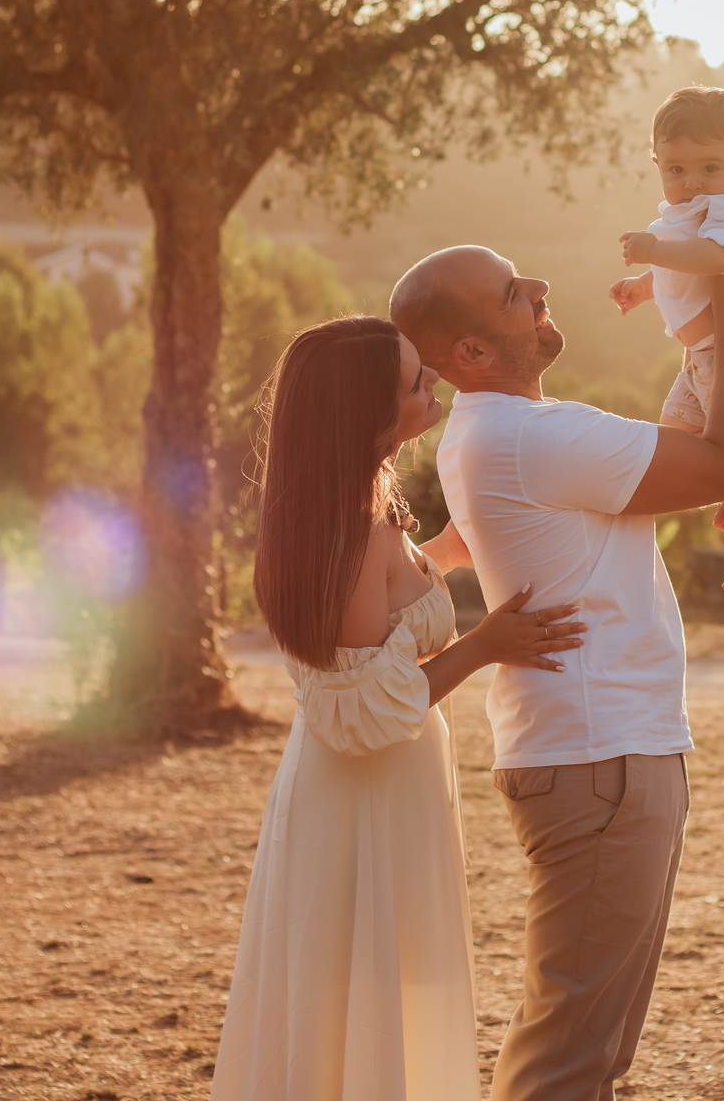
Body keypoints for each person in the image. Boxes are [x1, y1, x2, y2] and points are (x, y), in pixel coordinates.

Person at [389, 237, 724, 1101]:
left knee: (587, 1048)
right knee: (568, 1056)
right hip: (603, 762)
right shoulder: (537, 436)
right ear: (473, 353)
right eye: (510, 290)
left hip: (595, 754)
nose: (539, 286)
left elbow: (704, 462)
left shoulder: (489, 434)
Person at [209, 315, 586, 1101]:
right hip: (362, 802)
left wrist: (457, 544)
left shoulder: (367, 503)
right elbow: (360, 716)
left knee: (387, 994)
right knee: (360, 999)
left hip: (393, 788)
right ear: (366, 417)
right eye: (417, 382)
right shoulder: (346, 534)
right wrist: (485, 644)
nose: (435, 386)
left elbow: (391, 612)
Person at [611, 84, 724, 590]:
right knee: (672, 441)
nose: (692, 182)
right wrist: (645, 287)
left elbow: (716, 261)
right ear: (658, 164)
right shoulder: (682, 215)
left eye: (710, 167)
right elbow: (684, 275)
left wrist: (651, 251)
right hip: (701, 356)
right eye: (676, 170)